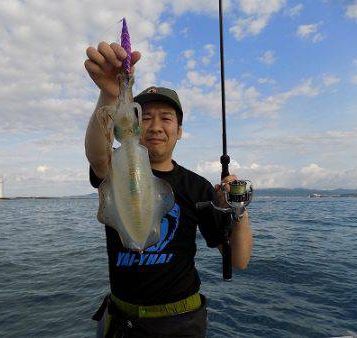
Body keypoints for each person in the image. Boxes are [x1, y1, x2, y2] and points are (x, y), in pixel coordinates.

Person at [84, 41, 253, 338]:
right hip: (120, 321)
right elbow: (98, 154)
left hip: (180, 322)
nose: (155, 126)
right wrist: (110, 95)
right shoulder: (116, 168)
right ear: (133, 125)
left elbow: (238, 260)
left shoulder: (197, 186)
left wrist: (238, 210)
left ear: (179, 130)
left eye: (166, 118)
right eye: (145, 117)